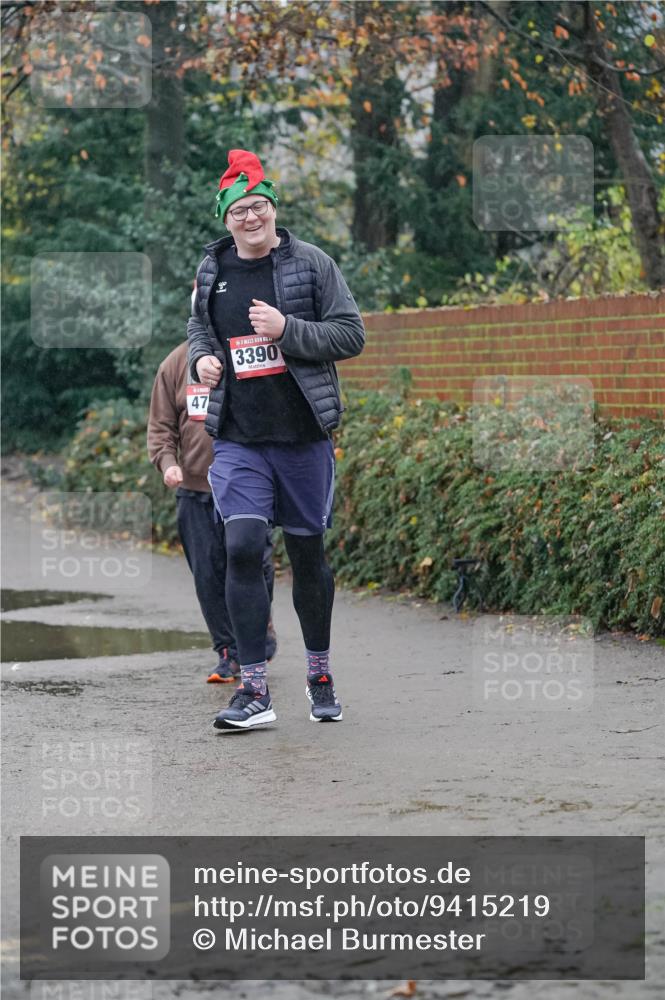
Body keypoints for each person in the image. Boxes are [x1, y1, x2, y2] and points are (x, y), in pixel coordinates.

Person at [187, 148, 364, 731]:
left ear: (272, 209)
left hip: (302, 436)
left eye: (259, 206)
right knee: (240, 547)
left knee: (307, 554)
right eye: (239, 210)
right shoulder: (211, 270)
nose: (251, 217)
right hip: (238, 438)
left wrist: (287, 331)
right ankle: (254, 690)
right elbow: (198, 332)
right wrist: (205, 362)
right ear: (226, 217)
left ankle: (319, 673)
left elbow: (350, 334)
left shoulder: (312, 264)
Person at [147, 340, 277, 683]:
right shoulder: (175, 363)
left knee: (254, 562)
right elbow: (161, 426)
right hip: (194, 488)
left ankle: (258, 627)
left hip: (246, 487)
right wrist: (168, 463)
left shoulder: (251, 350)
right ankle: (229, 653)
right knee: (207, 574)